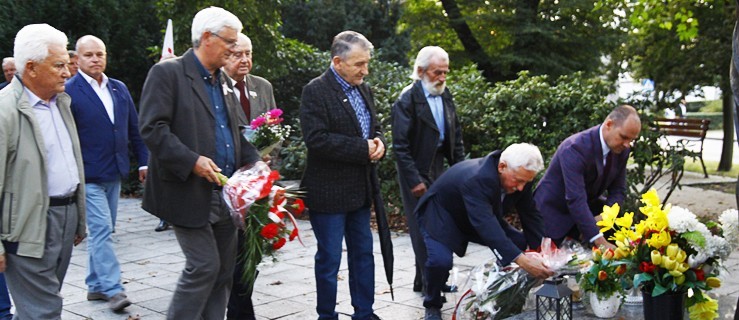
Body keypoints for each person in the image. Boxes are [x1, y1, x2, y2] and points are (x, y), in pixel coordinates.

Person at [138, 7, 260, 320]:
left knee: (222, 273)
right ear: (206, 38)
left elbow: (239, 134)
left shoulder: (223, 81)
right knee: (204, 266)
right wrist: (192, 161)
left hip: (224, 195)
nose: (234, 49)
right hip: (186, 191)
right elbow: (152, 128)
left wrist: (259, 170)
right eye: (230, 42)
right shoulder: (167, 73)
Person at [0, 23, 86, 319]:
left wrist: (79, 217)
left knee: (39, 306)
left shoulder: (61, 102)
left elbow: (70, 163)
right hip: (26, 225)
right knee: (44, 311)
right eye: (59, 65)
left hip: (64, 217)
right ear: (32, 68)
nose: (67, 71)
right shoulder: (4, 111)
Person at [299, 30, 385, 320]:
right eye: (359, 64)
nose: (366, 70)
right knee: (330, 260)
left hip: (360, 191)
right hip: (328, 193)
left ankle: (365, 312)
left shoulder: (364, 88)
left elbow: (375, 126)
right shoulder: (315, 90)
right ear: (338, 62)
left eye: (367, 63)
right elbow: (317, 139)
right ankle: (327, 314)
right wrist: (363, 148)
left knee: (363, 255)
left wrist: (380, 143)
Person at [416, 143, 554, 320]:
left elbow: (530, 214)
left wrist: (543, 252)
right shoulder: (477, 178)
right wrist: (524, 262)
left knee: (518, 244)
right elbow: (487, 227)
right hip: (443, 215)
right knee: (440, 262)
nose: (521, 187)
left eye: (526, 182)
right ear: (502, 166)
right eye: (518, 181)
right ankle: (432, 303)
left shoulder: (521, 174)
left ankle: (501, 292)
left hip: (479, 214)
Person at [66, 35, 148, 311]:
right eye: (88, 55)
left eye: (99, 54)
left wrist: (144, 162)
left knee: (105, 229)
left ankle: (94, 286)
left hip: (114, 171)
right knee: (101, 230)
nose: (95, 59)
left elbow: (134, 129)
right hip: (87, 175)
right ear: (76, 59)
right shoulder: (69, 91)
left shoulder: (118, 88)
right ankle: (114, 289)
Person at [392, 46, 465, 294]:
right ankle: (429, 283)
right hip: (415, 168)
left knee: (440, 223)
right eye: (437, 72)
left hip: (440, 165)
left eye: (446, 72)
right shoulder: (407, 99)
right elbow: (400, 146)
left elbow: (456, 135)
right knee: (422, 226)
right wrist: (414, 180)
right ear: (421, 71)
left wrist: (462, 170)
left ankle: (424, 279)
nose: (443, 78)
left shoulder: (446, 95)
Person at [535, 105, 641, 249]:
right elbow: (575, 198)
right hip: (553, 215)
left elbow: (618, 190)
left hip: (585, 214)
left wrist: (605, 217)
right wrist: (600, 240)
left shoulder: (622, 150)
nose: (627, 145)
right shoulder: (575, 148)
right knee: (552, 269)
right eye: (623, 137)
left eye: (631, 140)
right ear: (609, 124)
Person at [223, 32, 276, 320]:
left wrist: (268, 157)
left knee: (252, 255)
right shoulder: (216, 87)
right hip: (228, 184)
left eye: (248, 53)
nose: (244, 59)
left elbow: (274, 127)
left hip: (259, 186)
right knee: (233, 254)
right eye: (237, 54)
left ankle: (239, 308)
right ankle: (240, 312)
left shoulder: (262, 86)